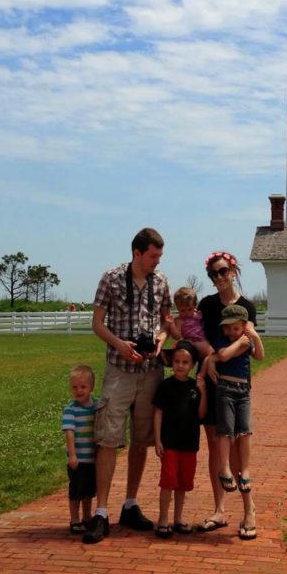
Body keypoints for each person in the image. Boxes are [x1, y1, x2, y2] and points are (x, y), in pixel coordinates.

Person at [82, 227, 173, 544]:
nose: (157, 262)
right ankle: (102, 511)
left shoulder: (160, 282)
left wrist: (161, 340)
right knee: (108, 437)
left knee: (142, 438)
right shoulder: (110, 278)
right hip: (119, 370)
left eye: (160, 256)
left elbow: (166, 320)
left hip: (150, 370)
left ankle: (130, 504)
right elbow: (96, 323)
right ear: (136, 253)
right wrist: (119, 345)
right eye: (153, 256)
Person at [195, 250, 258, 533]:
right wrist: (208, 357)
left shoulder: (247, 306)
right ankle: (219, 510)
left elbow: (248, 341)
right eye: (213, 274)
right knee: (215, 445)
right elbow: (196, 335)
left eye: (222, 271)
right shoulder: (207, 305)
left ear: (233, 271)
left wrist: (216, 356)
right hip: (212, 381)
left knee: (236, 445)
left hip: (235, 383)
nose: (218, 277)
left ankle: (249, 511)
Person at [209, 304, 264, 540]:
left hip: (243, 390)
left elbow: (260, 356)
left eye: (235, 328)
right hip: (225, 388)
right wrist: (239, 343)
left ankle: (246, 469)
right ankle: (224, 468)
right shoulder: (225, 341)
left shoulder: (246, 339)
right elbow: (222, 356)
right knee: (225, 432)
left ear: (243, 325)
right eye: (228, 328)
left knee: (244, 431)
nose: (231, 331)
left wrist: (254, 338)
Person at [152, 339, 207, 538]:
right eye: (177, 362)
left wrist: (203, 392)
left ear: (192, 365)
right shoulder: (166, 386)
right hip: (170, 443)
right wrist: (157, 440)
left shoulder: (194, 387)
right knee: (168, 482)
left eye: (185, 362)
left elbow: (201, 414)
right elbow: (158, 413)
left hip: (189, 443)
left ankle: (178, 518)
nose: (180, 366)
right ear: (172, 363)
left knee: (183, 484)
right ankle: (163, 519)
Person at [61, 364, 98, 534]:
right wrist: (72, 456)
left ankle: (87, 516)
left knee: (89, 491)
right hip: (78, 460)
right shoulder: (71, 409)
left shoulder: (97, 406)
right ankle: (74, 519)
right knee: (76, 491)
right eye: (74, 387)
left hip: (93, 459)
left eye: (83, 387)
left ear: (92, 387)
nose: (79, 391)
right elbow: (69, 433)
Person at [167, 286, 212, 361]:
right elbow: (177, 336)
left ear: (195, 306)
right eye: (183, 310)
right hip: (190, 342)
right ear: (178, 308)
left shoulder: (198, 315)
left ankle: (203, 370)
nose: (187, 313)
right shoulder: (179, 320)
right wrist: (172, 324)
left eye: (190, 309)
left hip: (201, 340)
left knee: (211, 354)